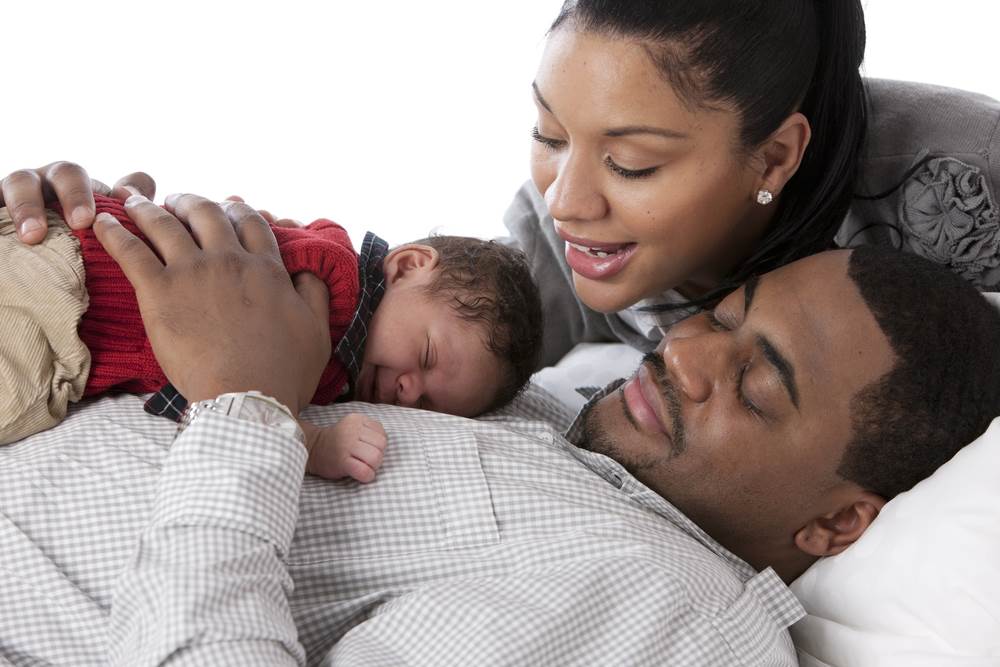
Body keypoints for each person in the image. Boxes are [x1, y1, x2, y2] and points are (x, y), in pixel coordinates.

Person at [1, 196, 998, 665]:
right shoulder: (564, 403)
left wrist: (240, 406)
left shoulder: (668, 617)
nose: (685, 352)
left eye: (758, 382)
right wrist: (93, 250)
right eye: (720, 315)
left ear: (835, 523)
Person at [0, 0, 872, 371]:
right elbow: (435, 330)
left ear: (774, 158)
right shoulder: (544, 249)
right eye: (548, 134)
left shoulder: (957, 200)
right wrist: (93, 253)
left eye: (631, 163)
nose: (565, 201)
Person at [0, 194, 542, 482]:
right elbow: (245, 391)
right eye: (425, 357)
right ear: (406, 266)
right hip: (67, 291)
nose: (405, 390)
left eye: (426, 402)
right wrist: (316, 444)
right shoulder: (334, 290)